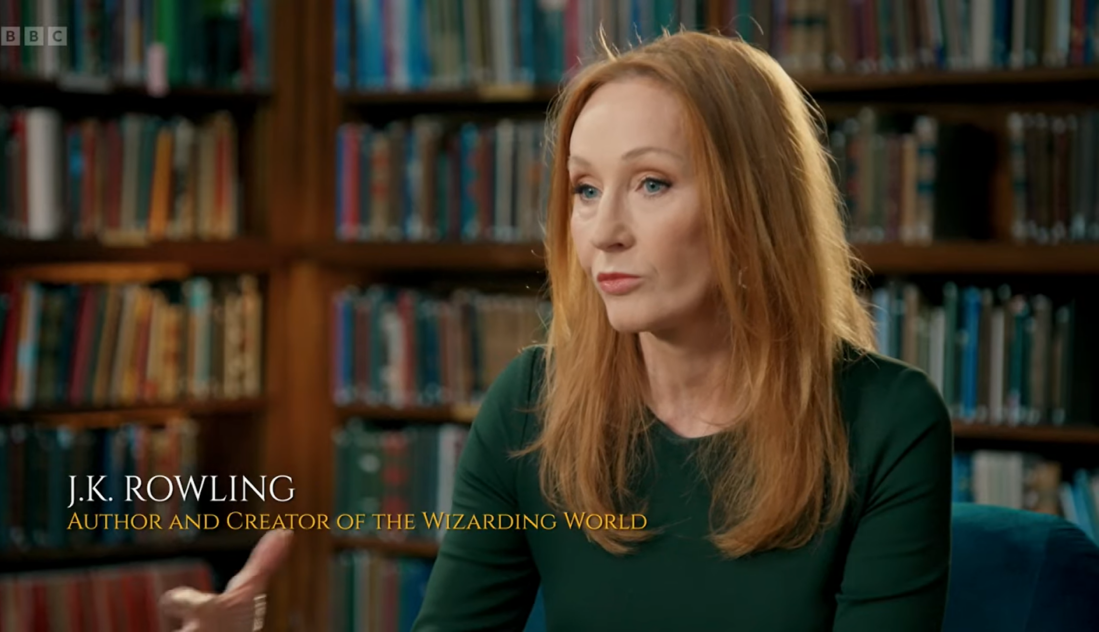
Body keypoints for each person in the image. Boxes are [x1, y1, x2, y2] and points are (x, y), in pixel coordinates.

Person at [161, 29, 953, 632]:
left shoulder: (889, 420)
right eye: (583, 188)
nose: (603, 230)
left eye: (651, 183)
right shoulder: (531, 403)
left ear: (753, 208)